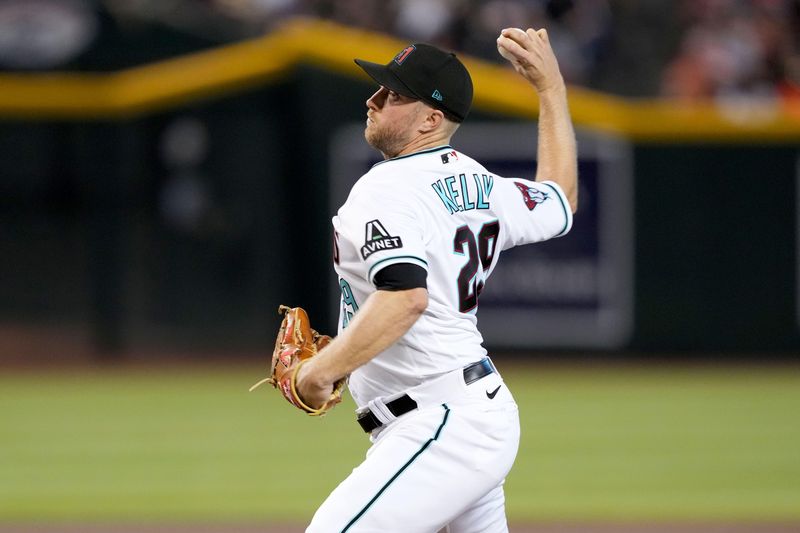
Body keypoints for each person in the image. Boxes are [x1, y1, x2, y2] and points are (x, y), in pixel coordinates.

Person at [297, 27, 578, 532]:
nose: (374, 98)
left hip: (442, 421)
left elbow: (405, 299)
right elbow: (560, 198)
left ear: (431, 118)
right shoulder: (481, 183)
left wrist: (319, 370)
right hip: (467, 412)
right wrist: (551, 91)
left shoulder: (383, 191)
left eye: (394, 94)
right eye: (380, 87)